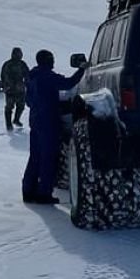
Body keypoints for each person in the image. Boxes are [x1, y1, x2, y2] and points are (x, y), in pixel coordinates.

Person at [22, 49, 86, 204]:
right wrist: (82, 69)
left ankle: (28, 190)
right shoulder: (48, 76)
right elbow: (68, 83)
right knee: (48, 158)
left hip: (35, 121)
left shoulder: (31, 77)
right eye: (51, 59)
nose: (53, 62)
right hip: (48, 122)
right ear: (47, 60)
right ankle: (44, 193)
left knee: (35, 156)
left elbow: (28, 101)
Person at [0, 47, 30, 131]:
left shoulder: (21, 64)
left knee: (20, 106)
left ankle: (16, 120)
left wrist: (27, 83)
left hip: (18, 89)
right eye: (18, 54)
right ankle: (9, 124)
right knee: (10, 107)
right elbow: (3, 76)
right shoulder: (8, 64)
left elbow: (27, 75)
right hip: (11, 89)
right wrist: (6, 85)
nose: (20, 55)